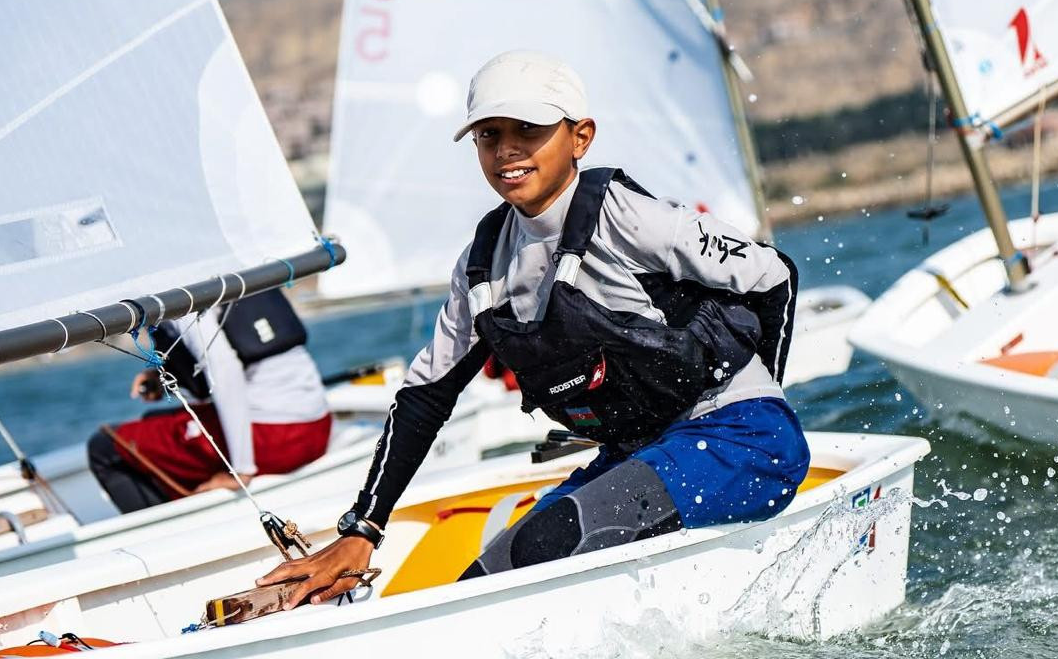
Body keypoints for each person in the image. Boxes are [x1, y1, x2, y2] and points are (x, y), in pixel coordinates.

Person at [258, 49, 809, 606]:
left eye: (528, 129)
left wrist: (770, 402)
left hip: (740, 439)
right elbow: (426, 396)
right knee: (483, 583)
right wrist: (362, 529)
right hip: (636, 455)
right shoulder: (482, 266)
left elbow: (773, 275)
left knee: (550, 542)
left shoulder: (631, 217)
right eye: (489, 135)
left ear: (581, 137)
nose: (507, 149)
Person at [88, 288, 331, 513]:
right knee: (153, 420)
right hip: (318, 428)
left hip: (275, 440)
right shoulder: (225, 275)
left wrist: (241, 471)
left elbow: (224, 369)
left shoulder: (178, 291)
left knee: (106, 446)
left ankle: (173, 531)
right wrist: (162, 378)